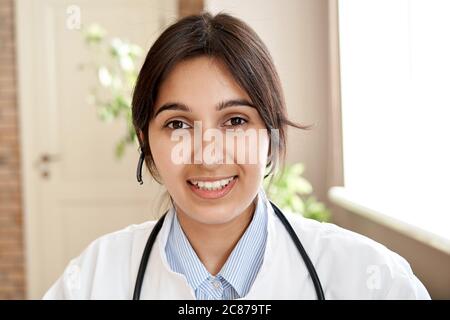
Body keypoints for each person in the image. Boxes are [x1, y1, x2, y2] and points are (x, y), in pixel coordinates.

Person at [43, 12, 430, 300]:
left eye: (235, 120)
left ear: (271, 133)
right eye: (178, 124)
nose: (208, 154)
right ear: (146, 141)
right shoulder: (93, 280)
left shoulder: (371, 279)